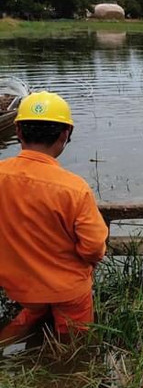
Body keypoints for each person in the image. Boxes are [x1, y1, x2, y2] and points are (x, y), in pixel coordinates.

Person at [0, 91, 108, 345]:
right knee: (73, 344)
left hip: (19, 287)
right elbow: (94, 248)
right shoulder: (73, 188)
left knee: (35, 308)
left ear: (18, 131)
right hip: (68, 291)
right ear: (65, 134)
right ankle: (64, 370)